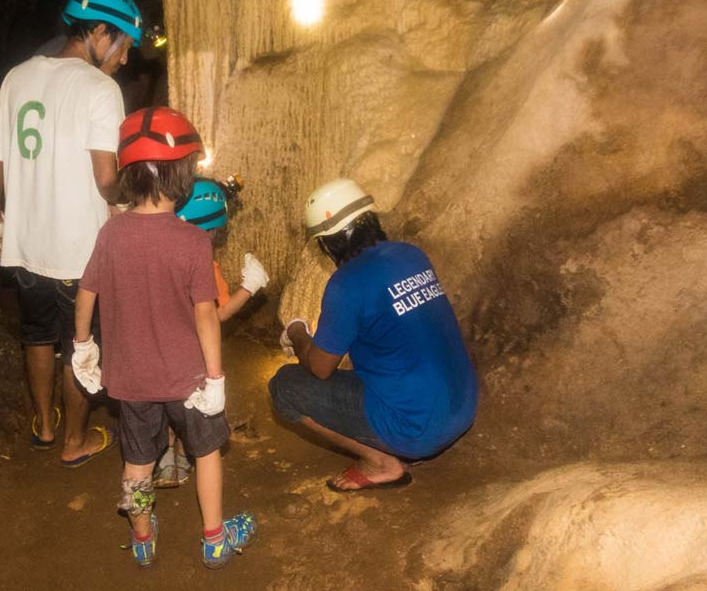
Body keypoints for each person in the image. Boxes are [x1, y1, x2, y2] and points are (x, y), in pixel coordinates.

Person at [70, 108, 257, 569]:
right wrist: (215, 378)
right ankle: (214, 539)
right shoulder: (192, 241)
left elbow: (87, 290)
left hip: (130, 378)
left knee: (137, 460)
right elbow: (206, 318)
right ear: (181, 174)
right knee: (207, 450)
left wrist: (82, 346)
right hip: (187, 380)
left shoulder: (111, 232)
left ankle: (142, 538)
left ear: (129, 175)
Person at [0, 0, 142, 467]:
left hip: (27, 246)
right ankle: (75, 440)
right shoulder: (100, 89)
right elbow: (106, 179)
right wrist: (132, 199)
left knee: (36, 334)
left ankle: (46, 427)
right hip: (79, 252)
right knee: (79, 344)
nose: (125, 60)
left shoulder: (17, 77)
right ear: (98, 32)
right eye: (123, 46)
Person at [270, 178, 477, 492]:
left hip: (419, 427)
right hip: (463, 408)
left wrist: (297, 332)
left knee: (284, 387)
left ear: (327, 244)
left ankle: (382, 462)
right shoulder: (411, 254)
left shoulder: (346, 284)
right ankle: (403, 442)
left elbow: (319, 368)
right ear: (371, 219)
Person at [154, 178, 270, 488]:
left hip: (156, 347)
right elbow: (216, 314)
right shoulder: (204, 263)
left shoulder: (156, 250)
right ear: (213, 230)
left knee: (164, 403)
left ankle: (166, 457)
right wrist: (249, 288)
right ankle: (183, 453)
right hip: (192, 353)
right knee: (189, 407)